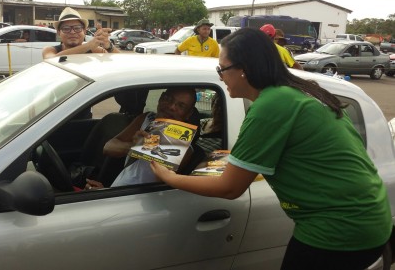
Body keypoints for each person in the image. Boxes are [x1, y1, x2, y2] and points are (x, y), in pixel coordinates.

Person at [151, 27, 392, 270]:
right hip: (367, 216)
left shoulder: (271, 105)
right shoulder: (296, 92)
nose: (221, 78)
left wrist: (170, 177)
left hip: (338, 229)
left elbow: (230, 188)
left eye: (221, 70)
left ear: (243, 70)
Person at [85, 87, 197, 189]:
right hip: (116, 191)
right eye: (168, 99)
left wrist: (143, 148)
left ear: (189, 113)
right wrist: (133, 146)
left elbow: (157, 187)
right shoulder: (146, 119)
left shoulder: (184, 148)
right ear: (160, 98)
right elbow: (108, 147)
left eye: (181, 106)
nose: (171, 107)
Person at [42, 7, 119, 59]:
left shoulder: (95, 50)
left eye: (77, 28)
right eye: (66, 28)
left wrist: (108, 46)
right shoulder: (50, 50)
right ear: (59, 32)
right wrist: (89, 45)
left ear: (84, 31)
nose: (72, 32)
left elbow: (120, 60)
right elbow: (52, 59)